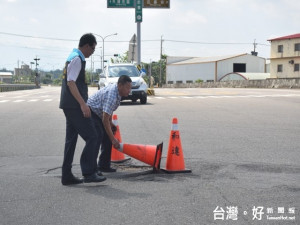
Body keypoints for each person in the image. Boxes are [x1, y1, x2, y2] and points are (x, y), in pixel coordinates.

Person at [59, 33, 106, 185]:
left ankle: (66, 176)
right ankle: (89, 172)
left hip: (68, 104)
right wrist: (83, 104)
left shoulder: (73, 56)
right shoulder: (77, 58)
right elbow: (71, 83)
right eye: (92, 49)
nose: (92, 52)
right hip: (74, 106)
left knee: (71, 141)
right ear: (86, 46)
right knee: (93, 136)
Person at [87, 75, 132, 173]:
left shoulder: (118, 92)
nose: (129, 91)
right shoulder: (112, 95)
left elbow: (109, 110)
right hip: (92, 112)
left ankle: (103, 165)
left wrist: (111, 123)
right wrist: (113, 139)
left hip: (99, 113)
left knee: (107, 136)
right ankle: (91, 169)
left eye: (130, 88)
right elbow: (104, 119)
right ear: (120, 85)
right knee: (97, 136)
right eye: (127, 88)